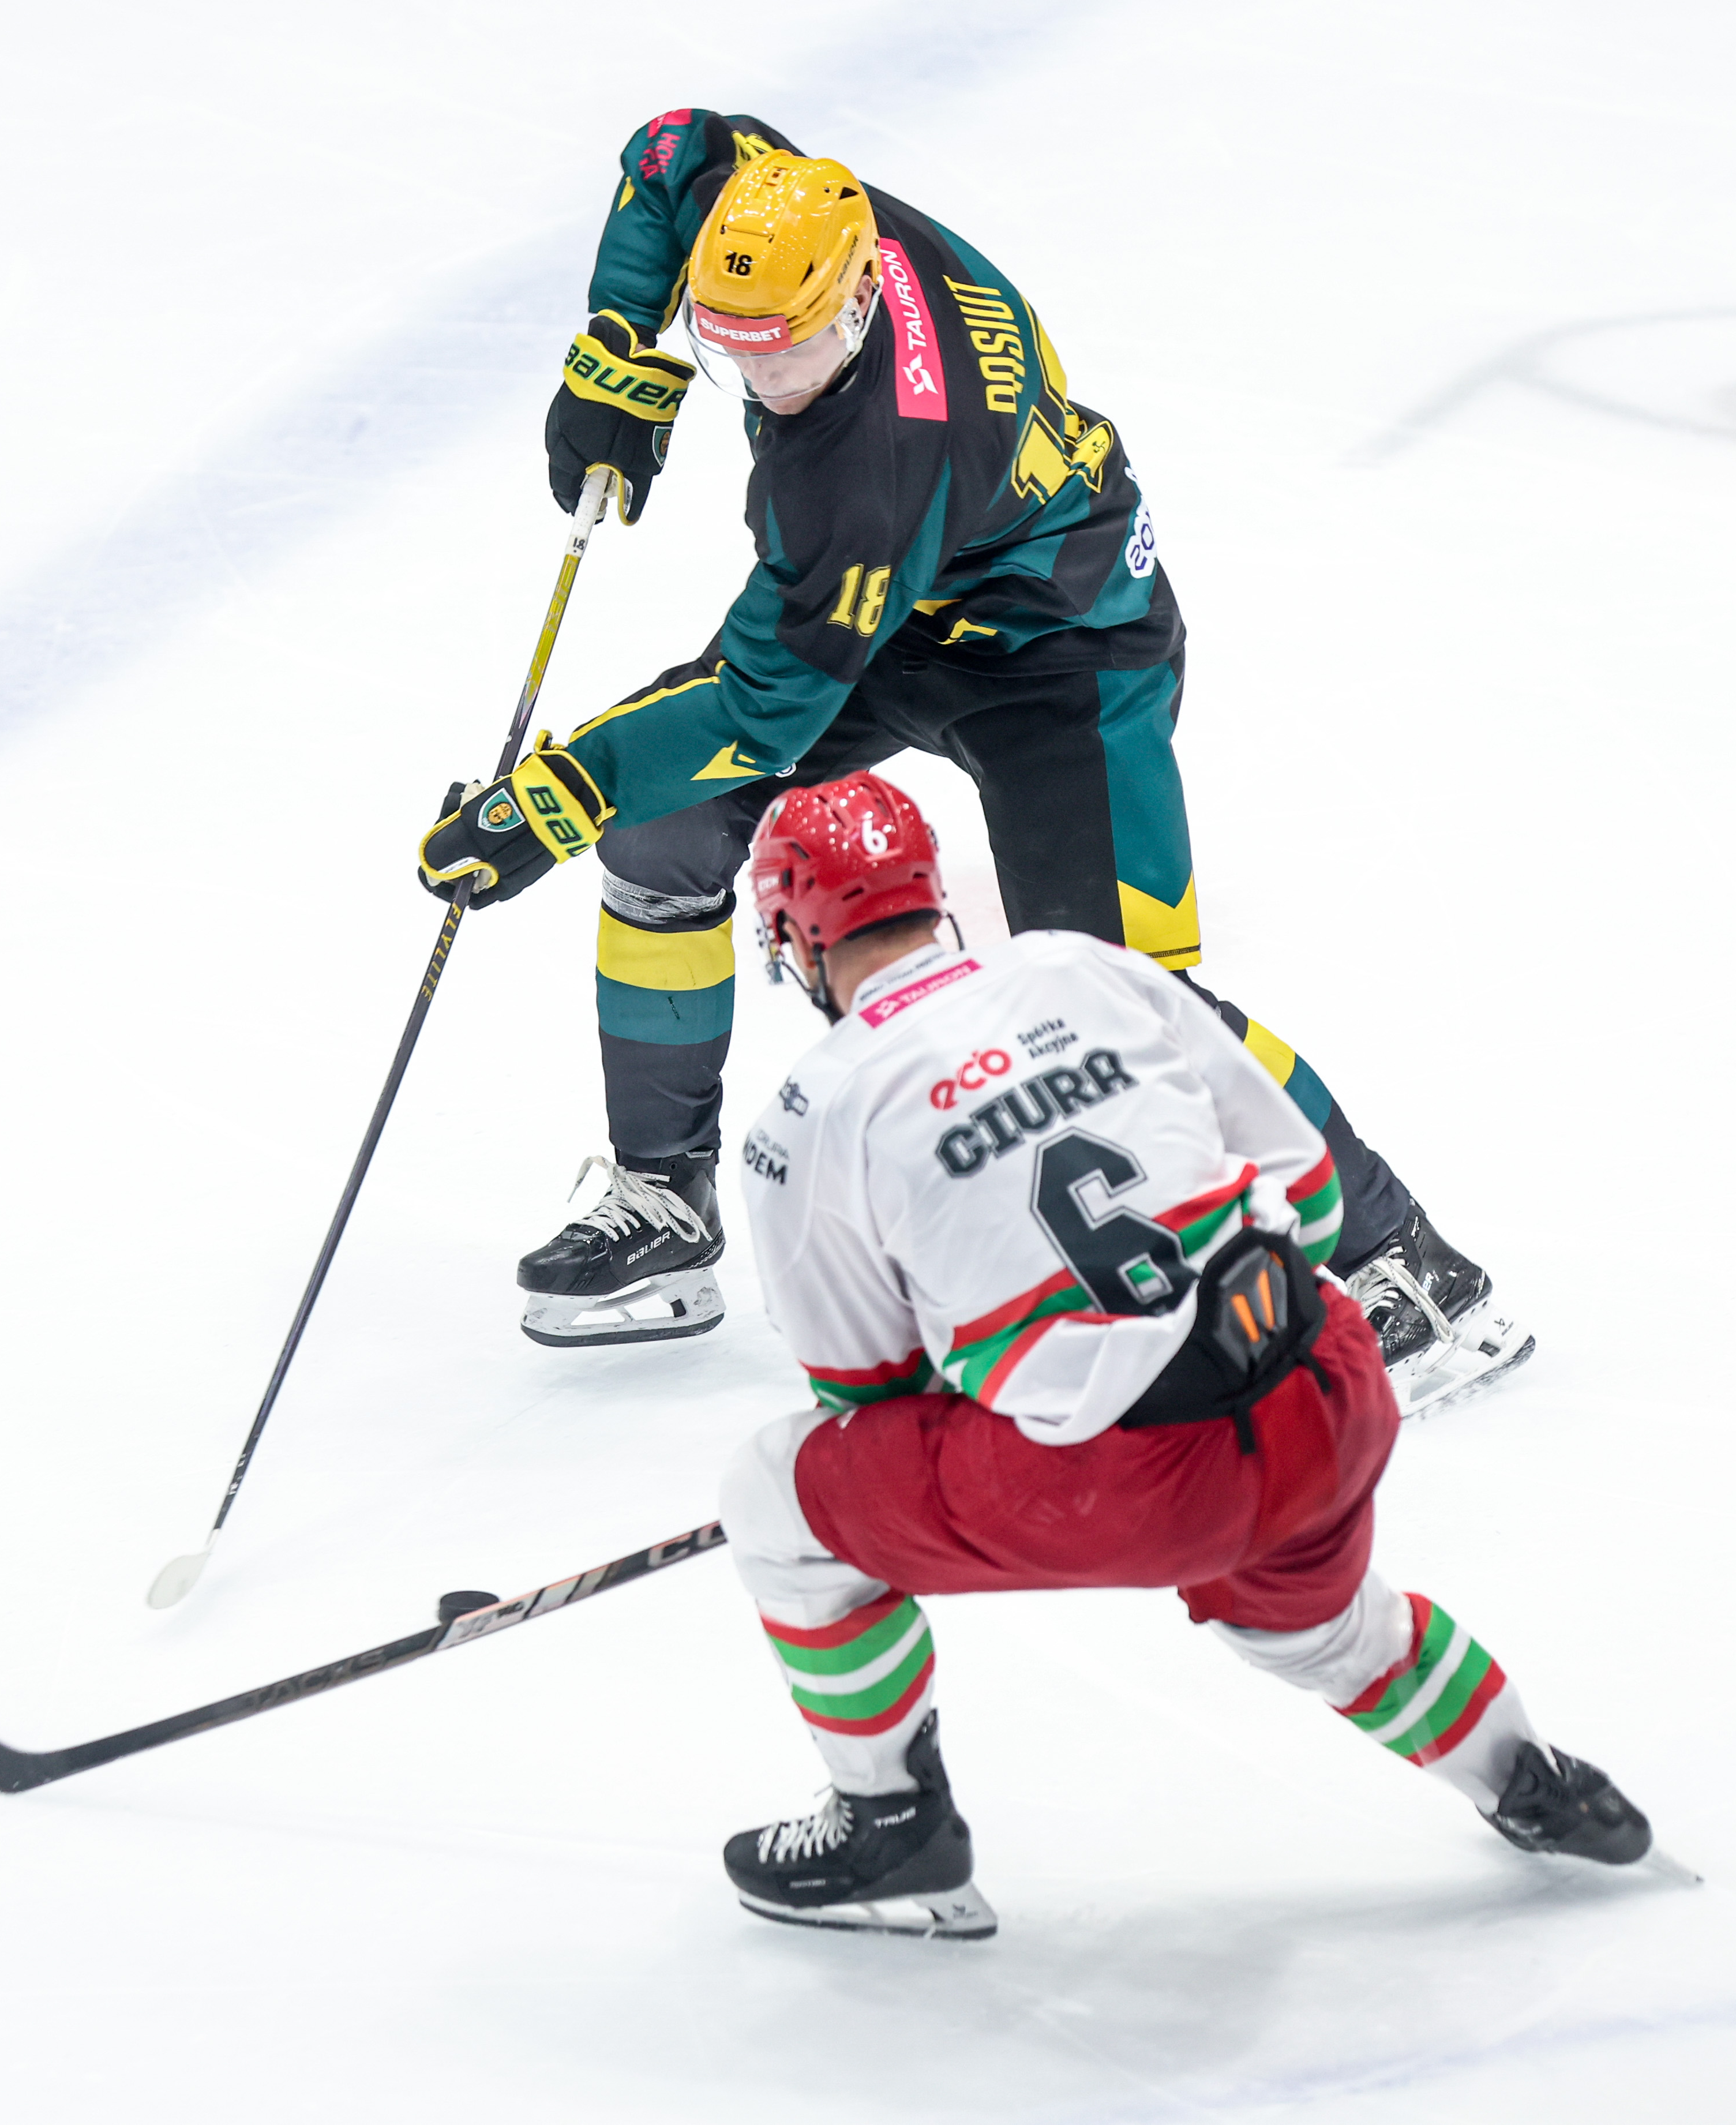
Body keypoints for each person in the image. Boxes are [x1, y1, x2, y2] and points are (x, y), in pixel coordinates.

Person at [415, 110, 1524, 1412]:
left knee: (1126, 1004)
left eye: (788, 352)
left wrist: (556, 797)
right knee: (664, 835)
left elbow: (765, 708)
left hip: (1063, 652)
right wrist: (620, 349)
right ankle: (665, 1195)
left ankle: (1406, 1262)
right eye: (732, 352)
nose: (765, 382)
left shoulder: (874, 465)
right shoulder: (790, 211)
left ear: (853, 304)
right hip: (900, 616)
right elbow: (671, 152)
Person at [700, 771, 1649, 1938]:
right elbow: (1310, 1193)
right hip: (1322, 1393)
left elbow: (866, 1397)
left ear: (794, 936)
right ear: (931, 888)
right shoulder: (1077, 967)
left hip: (1128, 1488)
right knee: (1321, 1627)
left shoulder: (806, 1115)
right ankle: (1533, 1780)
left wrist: (1030, 1340)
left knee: (776, 1495)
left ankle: (890, 1824)